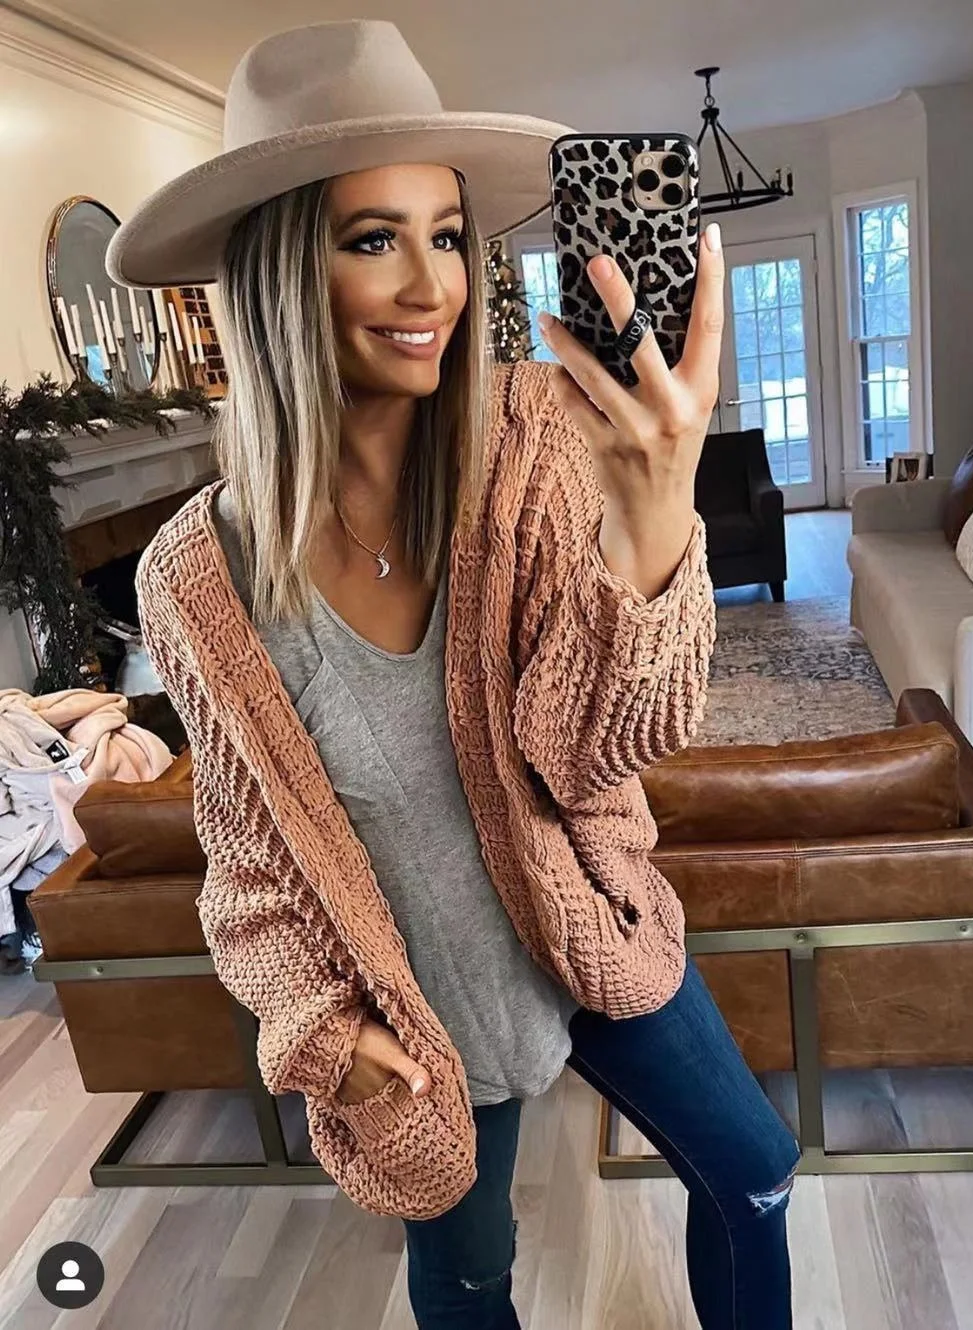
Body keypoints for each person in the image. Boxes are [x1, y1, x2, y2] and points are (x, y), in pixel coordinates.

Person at [107, 19, 801, 1330]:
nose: (434, 286)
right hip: (417, 1013)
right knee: (472, 1278)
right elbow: (246, 867)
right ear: (276, 277)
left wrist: (654, 528)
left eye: (447, 234)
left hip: (587, 927)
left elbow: (592, 752)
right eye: (374, 239)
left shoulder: (529, 437)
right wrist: (325, 1036)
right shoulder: (194, 580)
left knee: (756, 1171)